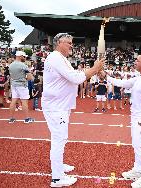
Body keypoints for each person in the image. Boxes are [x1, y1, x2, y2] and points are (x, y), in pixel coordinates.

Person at [41, 33, 105, 187]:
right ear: (58, 43)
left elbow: (76, 75)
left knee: (61, 138)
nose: (71, 45)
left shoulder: (62, 59)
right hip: (56, 107)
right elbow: (76, 79)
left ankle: (59, 166)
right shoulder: (56, 58)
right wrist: (95, 69)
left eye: (72, 42)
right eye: (68, 42)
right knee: (59, 139)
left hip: (60, 106)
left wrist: (94, 70)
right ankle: (57, 178)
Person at [103, 54, 141, 188]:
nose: (134, 62)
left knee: (139, 147)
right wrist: (106, 77)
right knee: (137, 146)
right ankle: (137, 170)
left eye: (137, 60)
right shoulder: (139, 78)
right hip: (135, 118)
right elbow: (122, 83)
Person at [8, 51, 34, 123]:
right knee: (24, 101)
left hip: (14, 84)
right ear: (20, 56)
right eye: (24, 56)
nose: (25, 58)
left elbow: (11, 76)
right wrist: (26, 78)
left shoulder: (11, 65)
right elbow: (30, 77)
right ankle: (27, 118)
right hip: (22, 85)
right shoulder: (23, 65)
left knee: (13, 101)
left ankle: (11, 118)